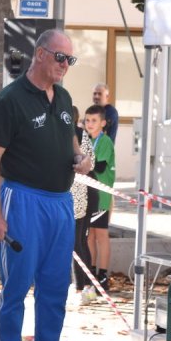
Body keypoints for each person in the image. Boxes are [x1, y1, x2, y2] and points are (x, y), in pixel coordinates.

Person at [0, 29, 92, 341]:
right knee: (16, 286)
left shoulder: (62, 96)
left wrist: (79, 156)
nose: (65, 65)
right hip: (23, 199)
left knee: (55, 287)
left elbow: (70, 136)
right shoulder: (10, 100)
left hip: (59, 203)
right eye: (61, 58)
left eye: (70, 60)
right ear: (41, 55)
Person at [85, 105, 116, 293]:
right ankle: (92, 272)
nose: (90, 124)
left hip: (101, 196)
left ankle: (103, 275)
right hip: (88, 195)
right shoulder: (86, 139)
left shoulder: (104, 142)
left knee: (101, 235)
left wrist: (82, 163)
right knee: (90, 236)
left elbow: (100, 167)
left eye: (94, 120)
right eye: (87, 120)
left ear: (103, 123)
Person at [69, 107, 98, 304]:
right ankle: (83, 285)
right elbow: (92, 162)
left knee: (77, 242)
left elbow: (91, 163)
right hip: (77, 196)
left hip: (77, 197)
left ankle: (82, 287)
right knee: (78, 242)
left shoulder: (74, 135)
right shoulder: (82, 135)